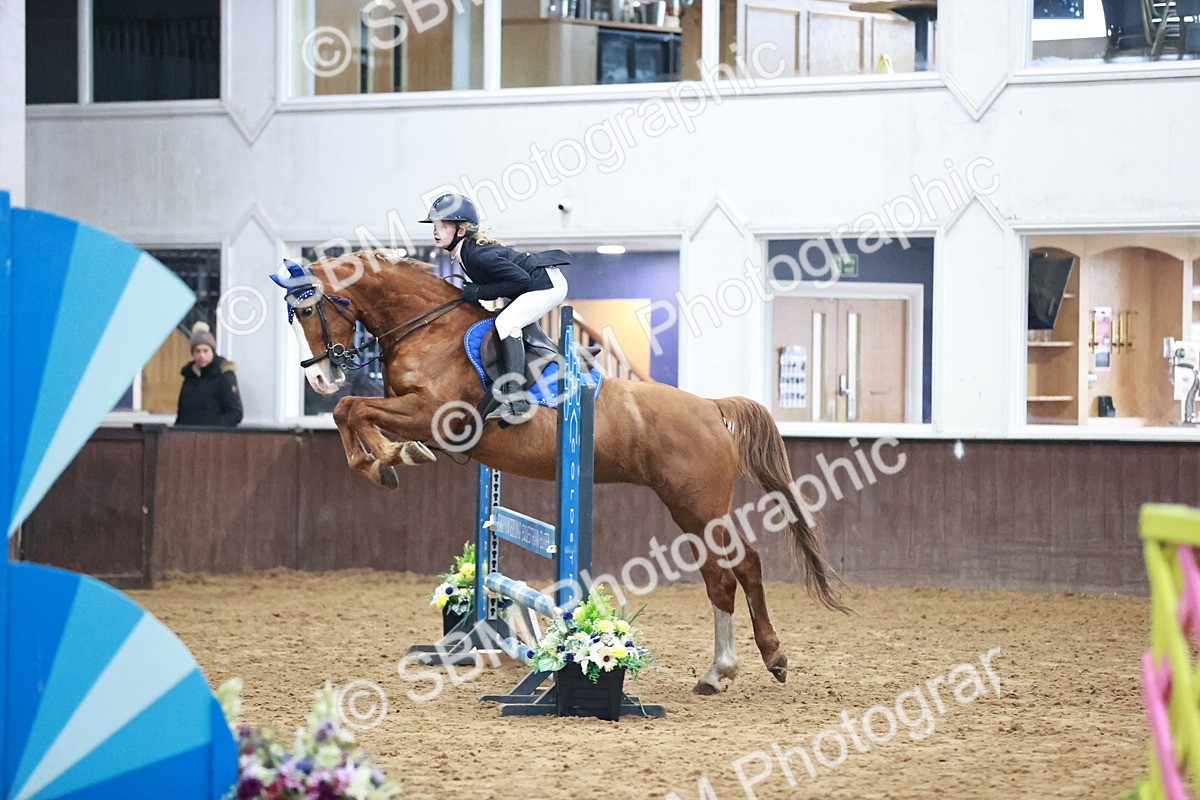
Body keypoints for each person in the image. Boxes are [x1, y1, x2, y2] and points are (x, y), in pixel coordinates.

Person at [420, 192, 570, 423]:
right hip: (534, 283)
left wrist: (480, 291)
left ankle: (515, 398)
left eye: (442, 226)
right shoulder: (466, 253)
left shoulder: (477, 255)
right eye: (435, 226)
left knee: (507, 323)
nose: (435, 231)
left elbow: (520, 279)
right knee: (506, 321)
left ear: (461, 230)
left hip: (547, 285)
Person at [175, 321, 243, 427]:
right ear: (192, 353)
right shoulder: (189, 377)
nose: (201, 355)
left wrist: (211, 428)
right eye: (197, 351)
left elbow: (235, 413)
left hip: (215, 437)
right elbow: (182, 412)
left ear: (212, 352)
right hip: (188, 437)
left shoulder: (224, 375)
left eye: (205, 351)